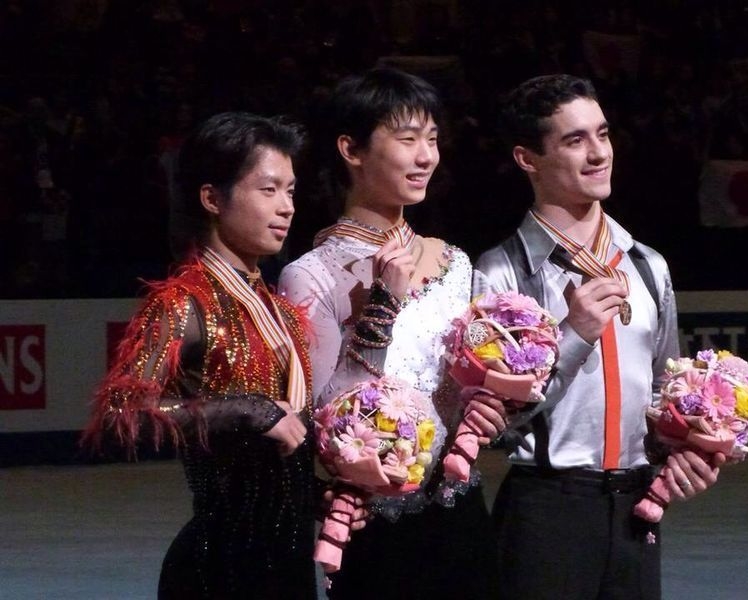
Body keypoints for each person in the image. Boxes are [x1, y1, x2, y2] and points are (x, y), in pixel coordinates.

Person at [473, 74, 724, 600]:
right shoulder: (501, 274)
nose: (597, 154)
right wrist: (573, 335)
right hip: (546, 509)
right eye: (574, 140)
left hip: (636, 507)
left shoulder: (648, 266)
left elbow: (668, 395)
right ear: (527, 159)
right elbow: (493, 426)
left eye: (602, 134)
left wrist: (689, 452)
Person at [279, 67, 503, 599]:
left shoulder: (457, 263)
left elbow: (471, 389)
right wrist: (383, 304)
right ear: (351, 150)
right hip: (372, 523)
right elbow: (322, 412)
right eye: (407, 140)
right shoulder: (312, 273)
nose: (426, 156)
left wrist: (497, 406)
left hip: (461, 509)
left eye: (431, 139)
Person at [82, 112, 318, 599]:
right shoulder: (181, 302)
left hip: (288, 566)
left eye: (291, 191)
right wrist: (242, 410)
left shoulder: (283, 313)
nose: (287, 207)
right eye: (268, 190)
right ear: (212, 198)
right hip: (219, 568)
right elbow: (117, 415)